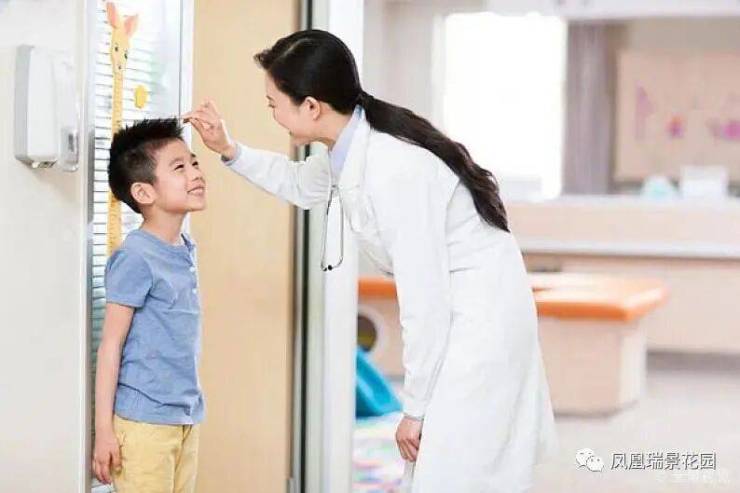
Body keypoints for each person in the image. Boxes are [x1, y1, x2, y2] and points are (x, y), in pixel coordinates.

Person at [186, 29, 558, 492]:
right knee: (450, 470)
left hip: (478, 323)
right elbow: (300, 184)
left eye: (273, 104)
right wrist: (229, 149)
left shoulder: (394, 166)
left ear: (311, 106)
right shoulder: (349, 149)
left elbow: (424, 301)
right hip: (464, 314)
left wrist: (414, 410)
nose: (273, 115)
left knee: (454, 468)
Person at [92, 118, 207, 492]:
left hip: (184, 417)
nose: (195, 174)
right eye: (179, 167)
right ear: (143, 192)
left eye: (194, 163)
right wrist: (104, 431)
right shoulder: (136, 257)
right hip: (144, 424)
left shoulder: (183, 249)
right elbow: (111, 346)